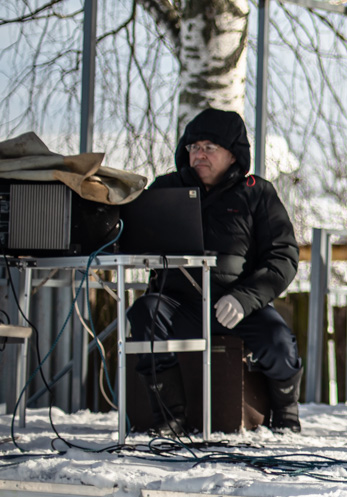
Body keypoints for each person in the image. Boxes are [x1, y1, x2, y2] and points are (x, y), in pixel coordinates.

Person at [129, 109, 302, 434]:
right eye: (194, 147)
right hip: (179, 304)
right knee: (144, 313)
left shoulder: (257, 193)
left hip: (237, 307)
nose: (199, 154)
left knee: (278, 342)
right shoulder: (165, 189)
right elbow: (136, 238)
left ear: (233, 153)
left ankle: (286, 415)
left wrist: (245, 298)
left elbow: (283, 256)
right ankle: (170, 417)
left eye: (209, 147)